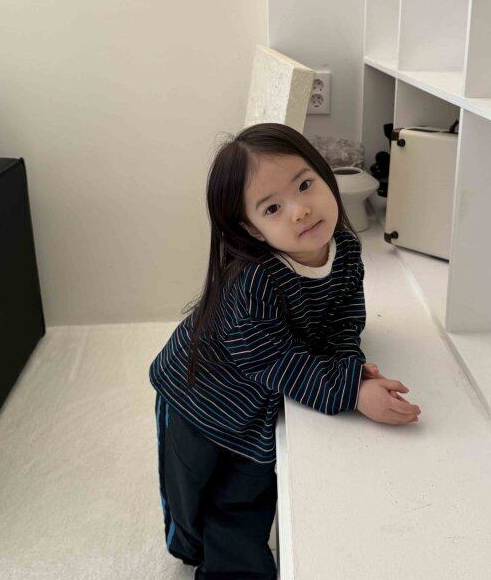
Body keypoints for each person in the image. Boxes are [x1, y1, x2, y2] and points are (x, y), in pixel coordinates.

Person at [149, 122, 421, 579]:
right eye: (273, 208)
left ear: (324, 175)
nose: (300, 211)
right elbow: (269, 359)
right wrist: (351, 391)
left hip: (256, 398)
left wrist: (351, 371)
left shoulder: (345, 250)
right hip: (195, 394)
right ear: (252, 230)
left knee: (246, 496)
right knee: (189, 496)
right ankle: (189, 546)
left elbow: (342, 322)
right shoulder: (254, 279)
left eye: (305, 185)